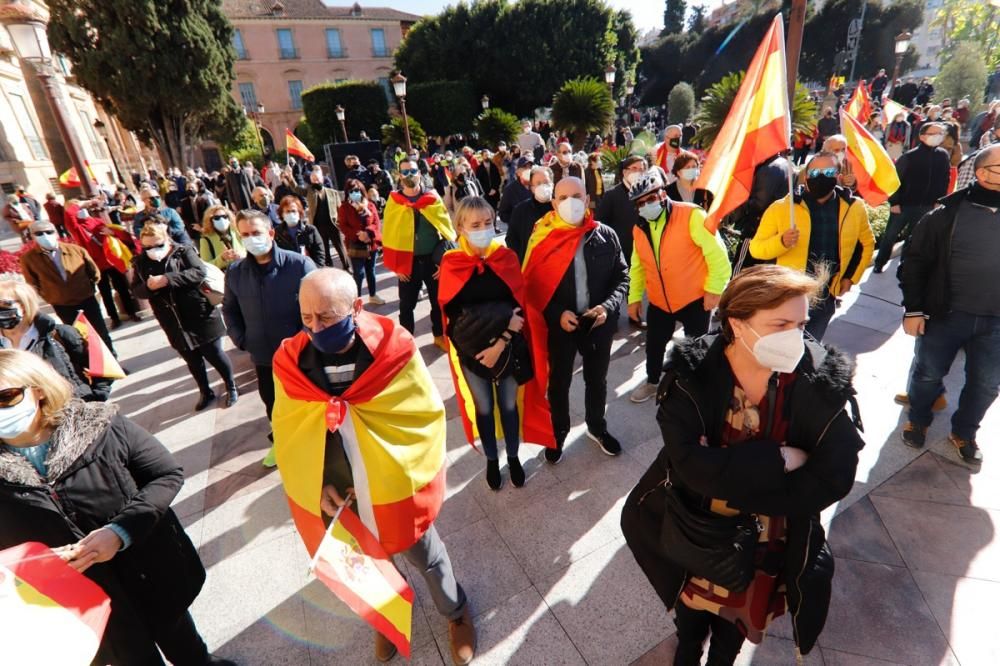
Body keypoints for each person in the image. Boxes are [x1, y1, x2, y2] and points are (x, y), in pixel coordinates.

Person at [621, 265, 864, 666]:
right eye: (780, 324)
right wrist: (780, 460)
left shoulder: (820, 381)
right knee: (692, 614)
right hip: (697, 529)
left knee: (731, 633)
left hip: (767, 543)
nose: (796, 338)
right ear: (737, 323)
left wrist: (723, 469)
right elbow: (689, 468)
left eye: (801, 323)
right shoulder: (690, 375)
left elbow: (833, 478)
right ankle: (687, 647)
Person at [271, 268, 476, 665]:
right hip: (341, 486)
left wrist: (393, 474)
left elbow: (421, 416)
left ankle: (456, 612)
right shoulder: (290, 362)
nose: (315, 328)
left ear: (357, 307)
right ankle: (387, 620)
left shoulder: (393, 349)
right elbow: (293, 431)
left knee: (425, 554)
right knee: (365, 562)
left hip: (391, 477)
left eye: (327, 317)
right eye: (307, 318)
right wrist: (319, 484)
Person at [0, 349, 233, 666]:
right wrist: (34, 564)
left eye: (6, 396)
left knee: (185, 645)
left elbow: (166, 474)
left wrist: (120, 532)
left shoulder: (99, 426)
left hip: (149, 571)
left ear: (37, 390)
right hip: (81, 605)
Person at [439, 197, 554, 489]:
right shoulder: (452, 263)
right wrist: (482, 350)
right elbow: (451, 321)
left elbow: (519, 312)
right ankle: (492, 460)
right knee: (485, 409)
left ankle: (513, 457)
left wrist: (500, 342)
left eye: (488, 223)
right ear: (460, 227)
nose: (482, 229)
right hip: (472, 354)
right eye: (475, 224)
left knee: (509, 406)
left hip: (508, 348)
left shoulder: (507, 258)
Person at [897, 144, 1000, 466]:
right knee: (927, 374)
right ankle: (919, 418)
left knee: (985, 384)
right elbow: (914, 264)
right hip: (945, 316)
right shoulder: (944, 215)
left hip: (996, 324)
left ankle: (965, 433)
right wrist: (914, 310)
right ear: (982, 173)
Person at [522, 177, 628, 464]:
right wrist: (557, 313)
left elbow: (622, 277)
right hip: (561, 326)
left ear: (587, 198)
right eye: (563, 197)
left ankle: (596, 427)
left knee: (597, 380)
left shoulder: (606, 234)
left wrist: (607, 307)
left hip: (597, 323)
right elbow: (531, 286)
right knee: (559, 383)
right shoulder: (542, 238)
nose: (571, 202)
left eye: (576, 195)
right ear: (554, 203)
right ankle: (559, 433)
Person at [627, 170, 731, 404]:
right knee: (653, 347)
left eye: (651, 198)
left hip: (695, 298)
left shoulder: (691, 215)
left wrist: (714, 290)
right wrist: (633, 298)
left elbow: (718, 255)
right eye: (640, 203)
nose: (646, 205)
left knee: (696, 348)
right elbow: (637, 265)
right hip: (659, 301)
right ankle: (653, 381)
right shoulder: (639, 228)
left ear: (663, 194)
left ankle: (695, 389)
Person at [223, 209, 316, 465]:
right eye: (245, 234)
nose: (251, 238)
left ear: (271, 233)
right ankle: (282, 443)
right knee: (273, 404)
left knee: (308, 404)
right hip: (263, 356)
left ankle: (316, 446)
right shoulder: (236, 272)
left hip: (301, 354)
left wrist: (304, 340)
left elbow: (317, 307)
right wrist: (241, 339)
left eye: (256, 233)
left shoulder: (299, 265)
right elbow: (229, 309)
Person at [750, 152, 875, 340]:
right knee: (780, 350)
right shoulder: (782, 207)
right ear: (806, 176)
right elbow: (756, 248)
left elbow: (865, 244)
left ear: (838, 176)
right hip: (786, 296)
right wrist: (781, 242)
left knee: (809, 350)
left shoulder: (854, 207)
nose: (822, 178)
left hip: (825, 297)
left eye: (829, 172)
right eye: (816, 173)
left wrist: (850, 278)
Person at [132, 223, 238, 411]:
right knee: (192, 360)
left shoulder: (183, 252)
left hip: (198, 312)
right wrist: (148, 287)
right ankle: (205, 391)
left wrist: (168, 279)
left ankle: (231, 385)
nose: (152, 250)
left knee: (214, 353)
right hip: (171, 319)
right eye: (147, 247)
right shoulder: (140, 262)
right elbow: (136, 290)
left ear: (166, 240)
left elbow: (198, 272)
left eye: (157, 245)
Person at [381, 156, 456, 351]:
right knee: (406, 306)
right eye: (405, 172)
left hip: (432, 261)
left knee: (437, 302)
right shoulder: (394, 201)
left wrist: (444, 262)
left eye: (413, 171)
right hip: (408, 263)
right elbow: (389, 235)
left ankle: (439, 335)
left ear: (420, 173)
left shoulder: (432, 198)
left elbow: (447, 232)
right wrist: (397, 266)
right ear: (399, 175)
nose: (409, 175)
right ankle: (406, 341)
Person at [0, 278, 112, 402]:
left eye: (4, 304)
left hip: (72, 407)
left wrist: (97, 396)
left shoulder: (60, 335)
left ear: (24, 305)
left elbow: (102, 366)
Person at [19, 220, 117, 356]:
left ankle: (112, 362)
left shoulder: (76, 250)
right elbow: (32, 283)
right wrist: (50, 295)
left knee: (100, 332)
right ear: (33, 236)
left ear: (56, 233)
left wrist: (87, 288)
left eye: (49, 232)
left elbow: (94, 273)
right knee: (76, 338)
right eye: (39, 233)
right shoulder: (28, 259)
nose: (45, 236)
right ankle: (90, 369)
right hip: (62, 304)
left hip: (86, 299)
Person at [872, 123, 951, 273]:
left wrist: (939, 200)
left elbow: (945, 179)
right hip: (903, 205)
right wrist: (894, 202)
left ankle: (904, 266)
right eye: (933, 133)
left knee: (913, 238)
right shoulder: (909, 156)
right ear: (922, 136)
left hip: (927, 206)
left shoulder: (943, 155)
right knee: (890, 236)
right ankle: (880, 262)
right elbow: (894, 181)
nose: (938, 136)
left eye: (940, 133)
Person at [72, 206, 142, 330]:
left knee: (123, 288)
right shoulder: (78, 227)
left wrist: (112, 233)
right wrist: (85, 203)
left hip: (112, 261)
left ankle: (131, 313)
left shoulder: (98, 221)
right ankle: (114, 318)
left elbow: (119, 234)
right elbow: (68, 215)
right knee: (105, 293)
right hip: (96, 265)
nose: (82, 210)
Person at [731, 153, 794, 274]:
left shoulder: (769, 169)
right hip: (773, 227)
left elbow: (759, 203)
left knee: (740, 271)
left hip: (756, 228)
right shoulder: (785, 164)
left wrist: (738, 201)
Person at [596, 155, 648, 278]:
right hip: (622, 254)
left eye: (642, 169)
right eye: (634, 168)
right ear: (625, 172)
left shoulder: (649, 194)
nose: (638, 172)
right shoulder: (611, 196)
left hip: (645, 253)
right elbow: (600, 225)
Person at [336, 179, 383, 304]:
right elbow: (343, 226)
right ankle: (357, 299)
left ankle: (373, 295)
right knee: (359, 273)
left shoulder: (370, 205)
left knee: (371, 271)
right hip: (355, 244)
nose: (354, 193)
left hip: (370, 243)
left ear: (362, 190)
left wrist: (368, 233)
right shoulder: (344, 207)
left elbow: (376, 223)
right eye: (351, 191)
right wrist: (359, 234)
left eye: (357, 190)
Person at [304, 169, 351, 271]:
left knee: (340, 247)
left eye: (317, 179)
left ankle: (347, 267)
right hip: (319, 226)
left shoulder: (332, 192)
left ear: (322, 179)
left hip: (332, 224)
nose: (316, 181)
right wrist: (289, 177)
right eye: (313, 179)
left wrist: (341, 222)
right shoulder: (310, 193)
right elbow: (296, 188)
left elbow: (340, 209)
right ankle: (329, 268)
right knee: (325, 249)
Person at [506, 165, 555, 263]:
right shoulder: (520, 210)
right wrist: (522, 258)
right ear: (532, 188)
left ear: (552, 184)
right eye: (538, 183)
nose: (542, 186)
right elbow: (511, 239)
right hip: (529, 266)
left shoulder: (561, 209)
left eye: (546, 182)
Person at [274, 195, 328, 267]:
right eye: (287, 211)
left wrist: (315, 269)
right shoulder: (277, 233)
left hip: (311, 270)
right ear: (282, 214)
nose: (291, 214)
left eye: (293, 211)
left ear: (299, 213)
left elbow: (320, 254)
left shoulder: (310, 230)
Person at [199, 205, 246, 271]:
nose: (222, 220)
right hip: (226, 276)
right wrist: (222, 258)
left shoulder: (238, 231)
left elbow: (251, 250)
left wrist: (242, 256)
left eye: (224, 216)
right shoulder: (206, 239)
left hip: (245, 269)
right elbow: (206, 266)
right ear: (210, 220)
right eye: (216, 218)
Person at [497, 156, 534, 226]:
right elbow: (502, 214)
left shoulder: (537, 185)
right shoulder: (510, 190)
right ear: (518, 172)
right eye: (525, 168)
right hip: (520, 231)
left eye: (530, 167)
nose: (528, 170)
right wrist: (517, 220)